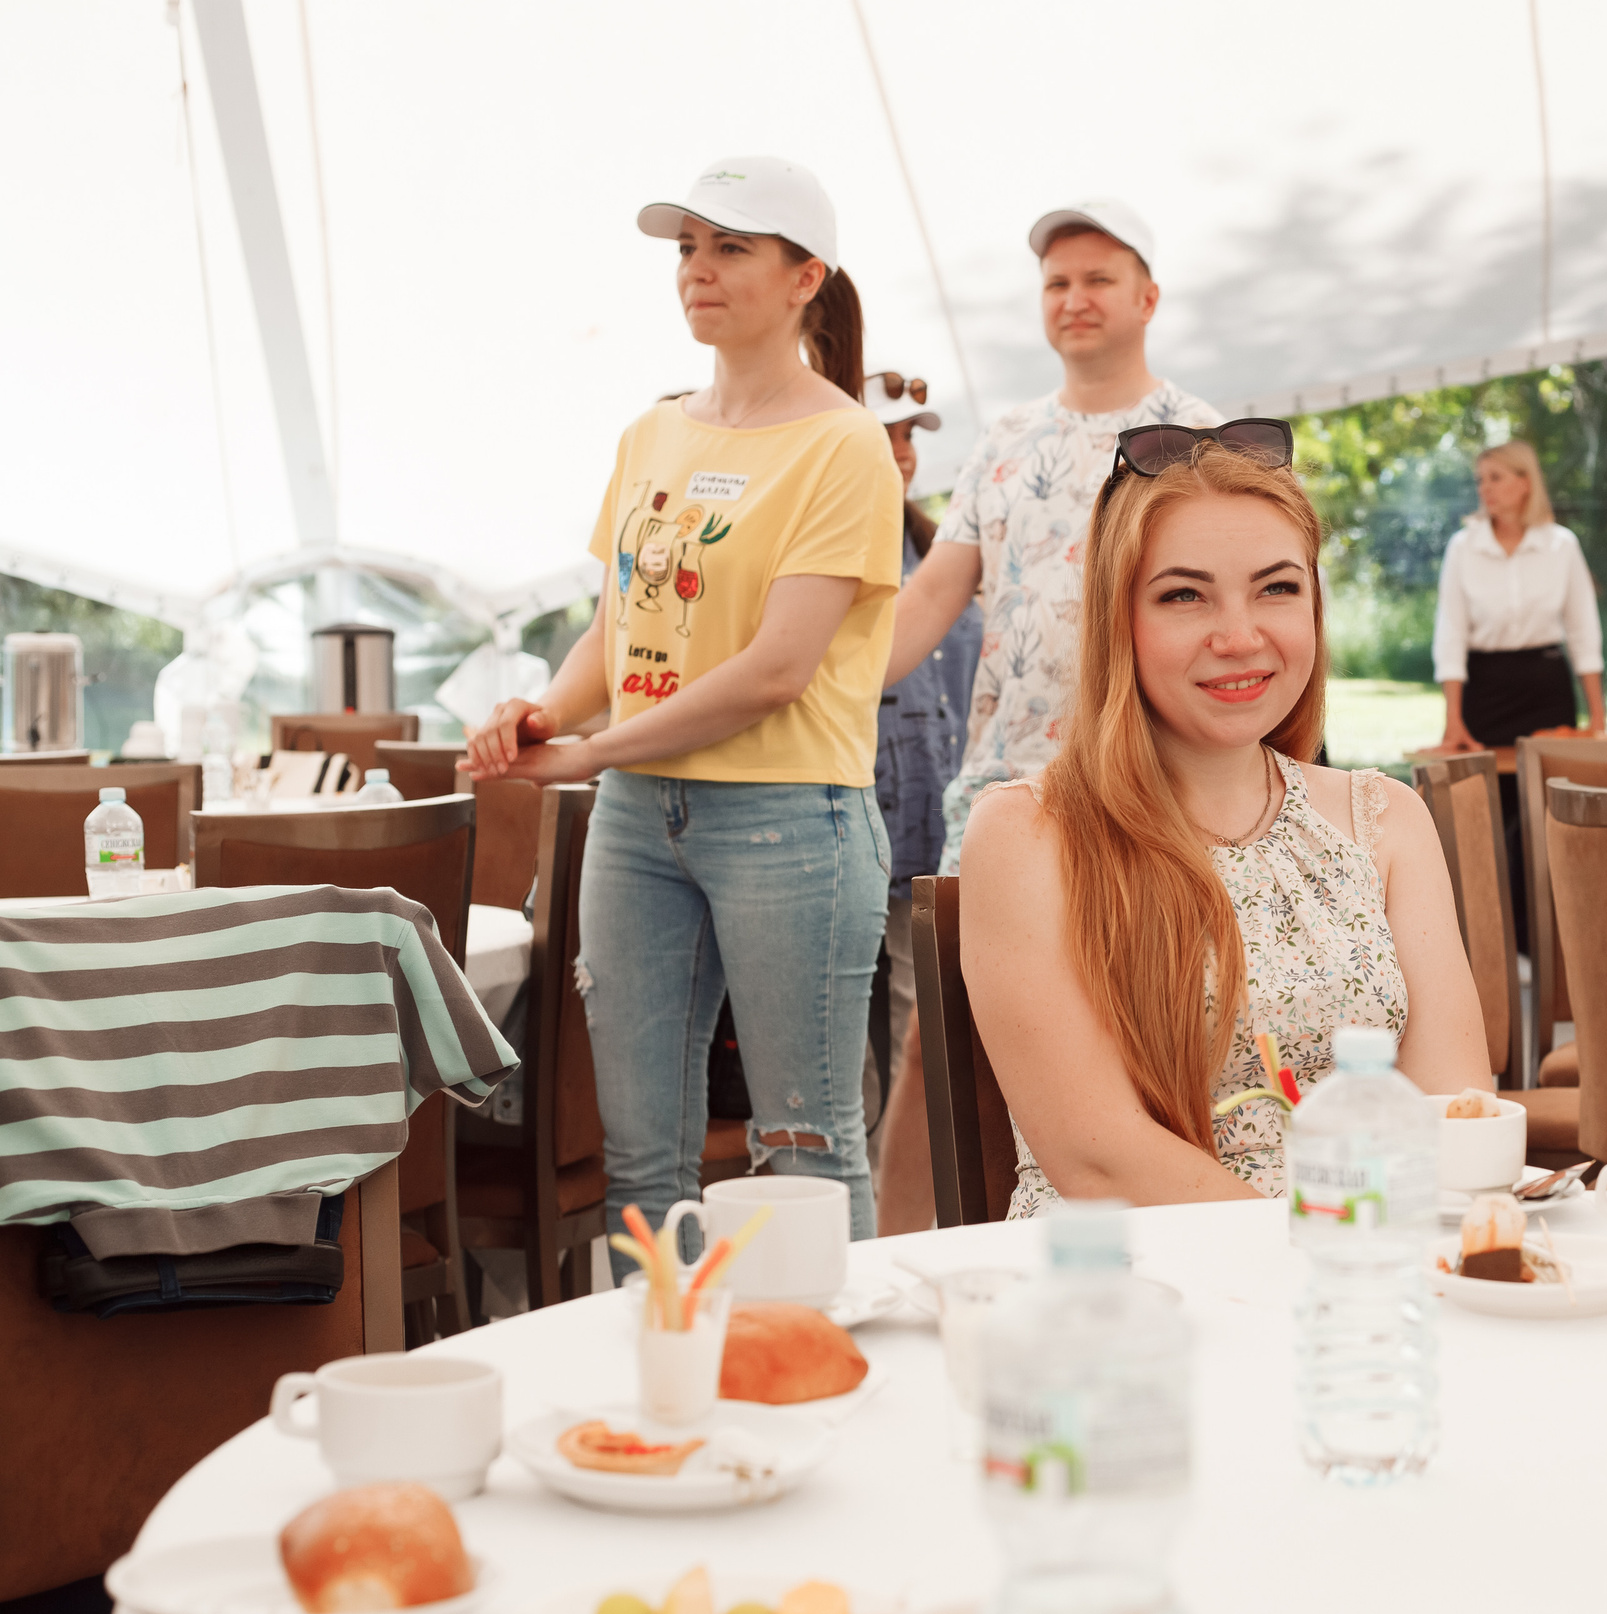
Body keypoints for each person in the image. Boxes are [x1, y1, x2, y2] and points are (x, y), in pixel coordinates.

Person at [464, 157, 902, 1255]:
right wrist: (544, 714)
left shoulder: (844, 444)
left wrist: (587, 754)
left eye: (730, 248)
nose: (699, 272)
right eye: (686, 250)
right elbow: (619, 627)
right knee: (640, 1160)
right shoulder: (652, 433)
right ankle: (657, 1393)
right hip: (636, 821)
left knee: (801, 1147)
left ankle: (816, 1378)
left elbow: (773, 672)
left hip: (791, 819)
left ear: (807, 277)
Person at [960, 427, 1493, 1214]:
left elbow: (1453, 1108)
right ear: (1119, 618)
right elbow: (1098, 1160)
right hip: (1131, 1289)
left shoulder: (1386, 822)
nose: (1240, 637)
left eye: (1277, 588)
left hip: (1370, 1278)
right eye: (1184, 595)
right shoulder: (1028, 836)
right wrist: (1321, 1243)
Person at [869, 198, 1220, 1232]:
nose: (1074, 299)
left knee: (1137, 1050)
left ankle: (1155, 1265)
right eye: (1056, 283)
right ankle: (895, 1270)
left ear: (1147, 297)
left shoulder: (1199, 437)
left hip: (1155, 799)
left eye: (1097, 278)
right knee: (939, 1054)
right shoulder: (1002, 443)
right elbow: (926, 604)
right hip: (1003, 802)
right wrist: (799, 677)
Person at [861, 370, 979, 1206]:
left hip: (931, 836)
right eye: (886, 433)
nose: (902, 452)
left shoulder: (948, 551)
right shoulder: (822, 550)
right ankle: (859, 1214)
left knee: (922, 1034)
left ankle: (915, 1209)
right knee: (846, 1054)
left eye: (910, 437)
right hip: (845, 825)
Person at [1432, 440, 1605, 752]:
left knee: (1550, 795)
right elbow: (1450, 636)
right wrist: (1452, 721)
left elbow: (1584, 633)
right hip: (1484, 691)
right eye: (1480, 479)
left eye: (1496, 478)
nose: (1485, 488)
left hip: (1548, 691)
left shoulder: (1562, 545)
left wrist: (1599, 721)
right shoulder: (1463, 547)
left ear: (1525, 482)